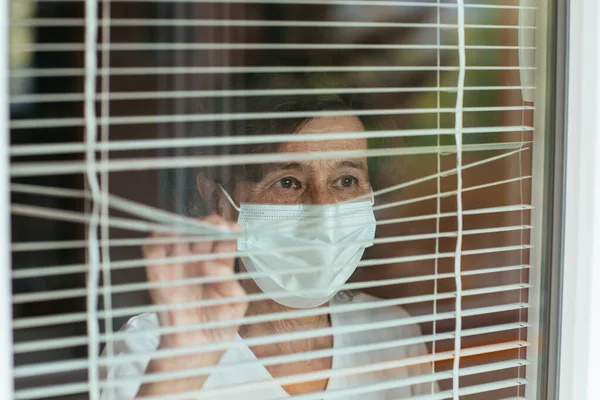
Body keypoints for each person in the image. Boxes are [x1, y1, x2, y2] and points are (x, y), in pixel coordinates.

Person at [100, 74, 439, 399]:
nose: (322, 208)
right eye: (288, 182)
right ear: (217, 196)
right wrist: (183, 365)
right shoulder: (154, 348)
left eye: (346, 181)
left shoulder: (390, 336)